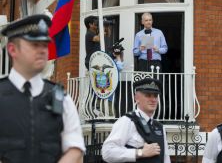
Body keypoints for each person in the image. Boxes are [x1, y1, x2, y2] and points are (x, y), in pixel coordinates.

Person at [0, 14, 85, 163]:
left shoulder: (61, 97)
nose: (42, 50)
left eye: (44, 45)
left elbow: (75, 149)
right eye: (34, 45)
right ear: (12, 49)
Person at [102, 78, 171, 163]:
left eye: (155, 96)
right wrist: (140, 152)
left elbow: (166, 159)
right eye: (148, 95)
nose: (153, 99)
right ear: (136, 98)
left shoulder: (160, 127)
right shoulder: (127, 121)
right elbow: (107, 152)